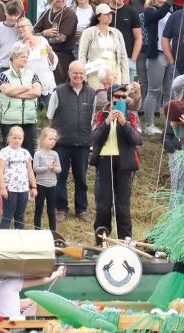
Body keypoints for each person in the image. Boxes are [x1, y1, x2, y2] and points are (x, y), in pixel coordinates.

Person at [90, 90, 142, 243]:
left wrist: (124, 124)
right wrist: (106, 123)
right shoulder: (101, 115)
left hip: (125, 163)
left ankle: (125, 240)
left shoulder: (131, 116)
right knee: (103, 204)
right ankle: (101, 239)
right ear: (110, 98)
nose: (119, 99)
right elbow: (93, 138)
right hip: (104, 160)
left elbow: (137, 139)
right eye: (116, 97)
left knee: (123, 205)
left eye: (123, 97)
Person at [47, 61, 95, 222]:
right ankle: (61, 209)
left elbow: (93, 119)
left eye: (81, 73)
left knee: (81, 177)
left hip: (83, 143)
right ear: (69, 73)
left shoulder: (92, 93)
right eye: (75, 73)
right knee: (60, 177)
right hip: (61, 143)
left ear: (85, 75)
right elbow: (50, 117)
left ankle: (82, 209)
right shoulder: (58, 92)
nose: (78, 76)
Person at [141, 0, 176, 135]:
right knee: (154, 90)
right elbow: (158, 15)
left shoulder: (169, 10)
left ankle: (169, 126)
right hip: (157, 55)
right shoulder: (150, 10)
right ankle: (149, 125)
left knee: (169, 92)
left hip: (170, 55)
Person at [0, 44, 41, 154]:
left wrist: (15, 93)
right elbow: (7, 91)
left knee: (30, 153)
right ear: (13, 58)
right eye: (22, 56)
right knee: (11, 153)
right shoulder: (3, 75)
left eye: (26, 57)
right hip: (9, 121)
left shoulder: (32, 74)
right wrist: (26, 88)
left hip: (29, 119)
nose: (25, 59)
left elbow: (37, 92)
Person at [33, 0, 78, 85]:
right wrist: (44, 33)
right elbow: (33, 32)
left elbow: (61, 38)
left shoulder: (69, 14)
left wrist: (41, 37)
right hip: (44, 54)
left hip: (62, 57)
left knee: (59, 86)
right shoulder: (45, 13)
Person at [79, 4, 129, 90]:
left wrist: (125, 80)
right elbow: (82, 55)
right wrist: (83, 76)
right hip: (95, 72)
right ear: (98, 17)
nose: (109, 16)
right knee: (98, 98)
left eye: (111, 14)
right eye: (106, 14)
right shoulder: (88, 32)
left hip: (114, 72)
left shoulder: (117, 33)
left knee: (114, 98)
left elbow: (123, 56)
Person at [0, 266, 66, 320]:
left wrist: (39, 297)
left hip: (3, 320)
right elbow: (43, 280)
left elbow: (17, 304)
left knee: (35, 304)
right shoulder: (13, 282)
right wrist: (58, 272)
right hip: (11, 323)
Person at [0, 126, 36, 230]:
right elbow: (0, 171)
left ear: (23, 139)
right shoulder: (4, 152)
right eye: (14, 138)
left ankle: (20, 239)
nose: (17, 140)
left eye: (19, 138)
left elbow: (30, 170)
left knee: (20, 216)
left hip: (23, 189)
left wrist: (33, 187)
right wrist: (2, 188)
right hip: (10, 189)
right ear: (9, 137)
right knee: (8, 215)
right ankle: (2, 238)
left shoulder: (25, 153)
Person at [106, 0, 142, 80]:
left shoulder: (131, 12)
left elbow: (138, 38)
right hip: (107, 59)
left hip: (127, 59)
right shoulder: (104, 11)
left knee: (127, 92)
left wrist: (133, 59)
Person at [17, 18, 57, 102]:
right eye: (18, 27)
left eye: (23, 26)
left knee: (49, 113)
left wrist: (50, 53)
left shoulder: (42, 40)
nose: (20, 29)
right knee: (31, 113)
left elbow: (53, 61)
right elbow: (16, 67)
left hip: (46, 83)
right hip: (29, 86)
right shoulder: (17, 46)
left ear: (31, 27)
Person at [33, 128, 61, 231]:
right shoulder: (38, 154)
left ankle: (53, 231)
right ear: (43, 140)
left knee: (51, 210)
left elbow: (59, 170)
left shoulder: (55, 154)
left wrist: (54, 168)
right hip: (40, 185)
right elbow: (35, 169)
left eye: (54, 139)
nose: (53, 141)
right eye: (50, 139)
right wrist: (47, 168)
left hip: (52, 185)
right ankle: (37, 230)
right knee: (39, 209)